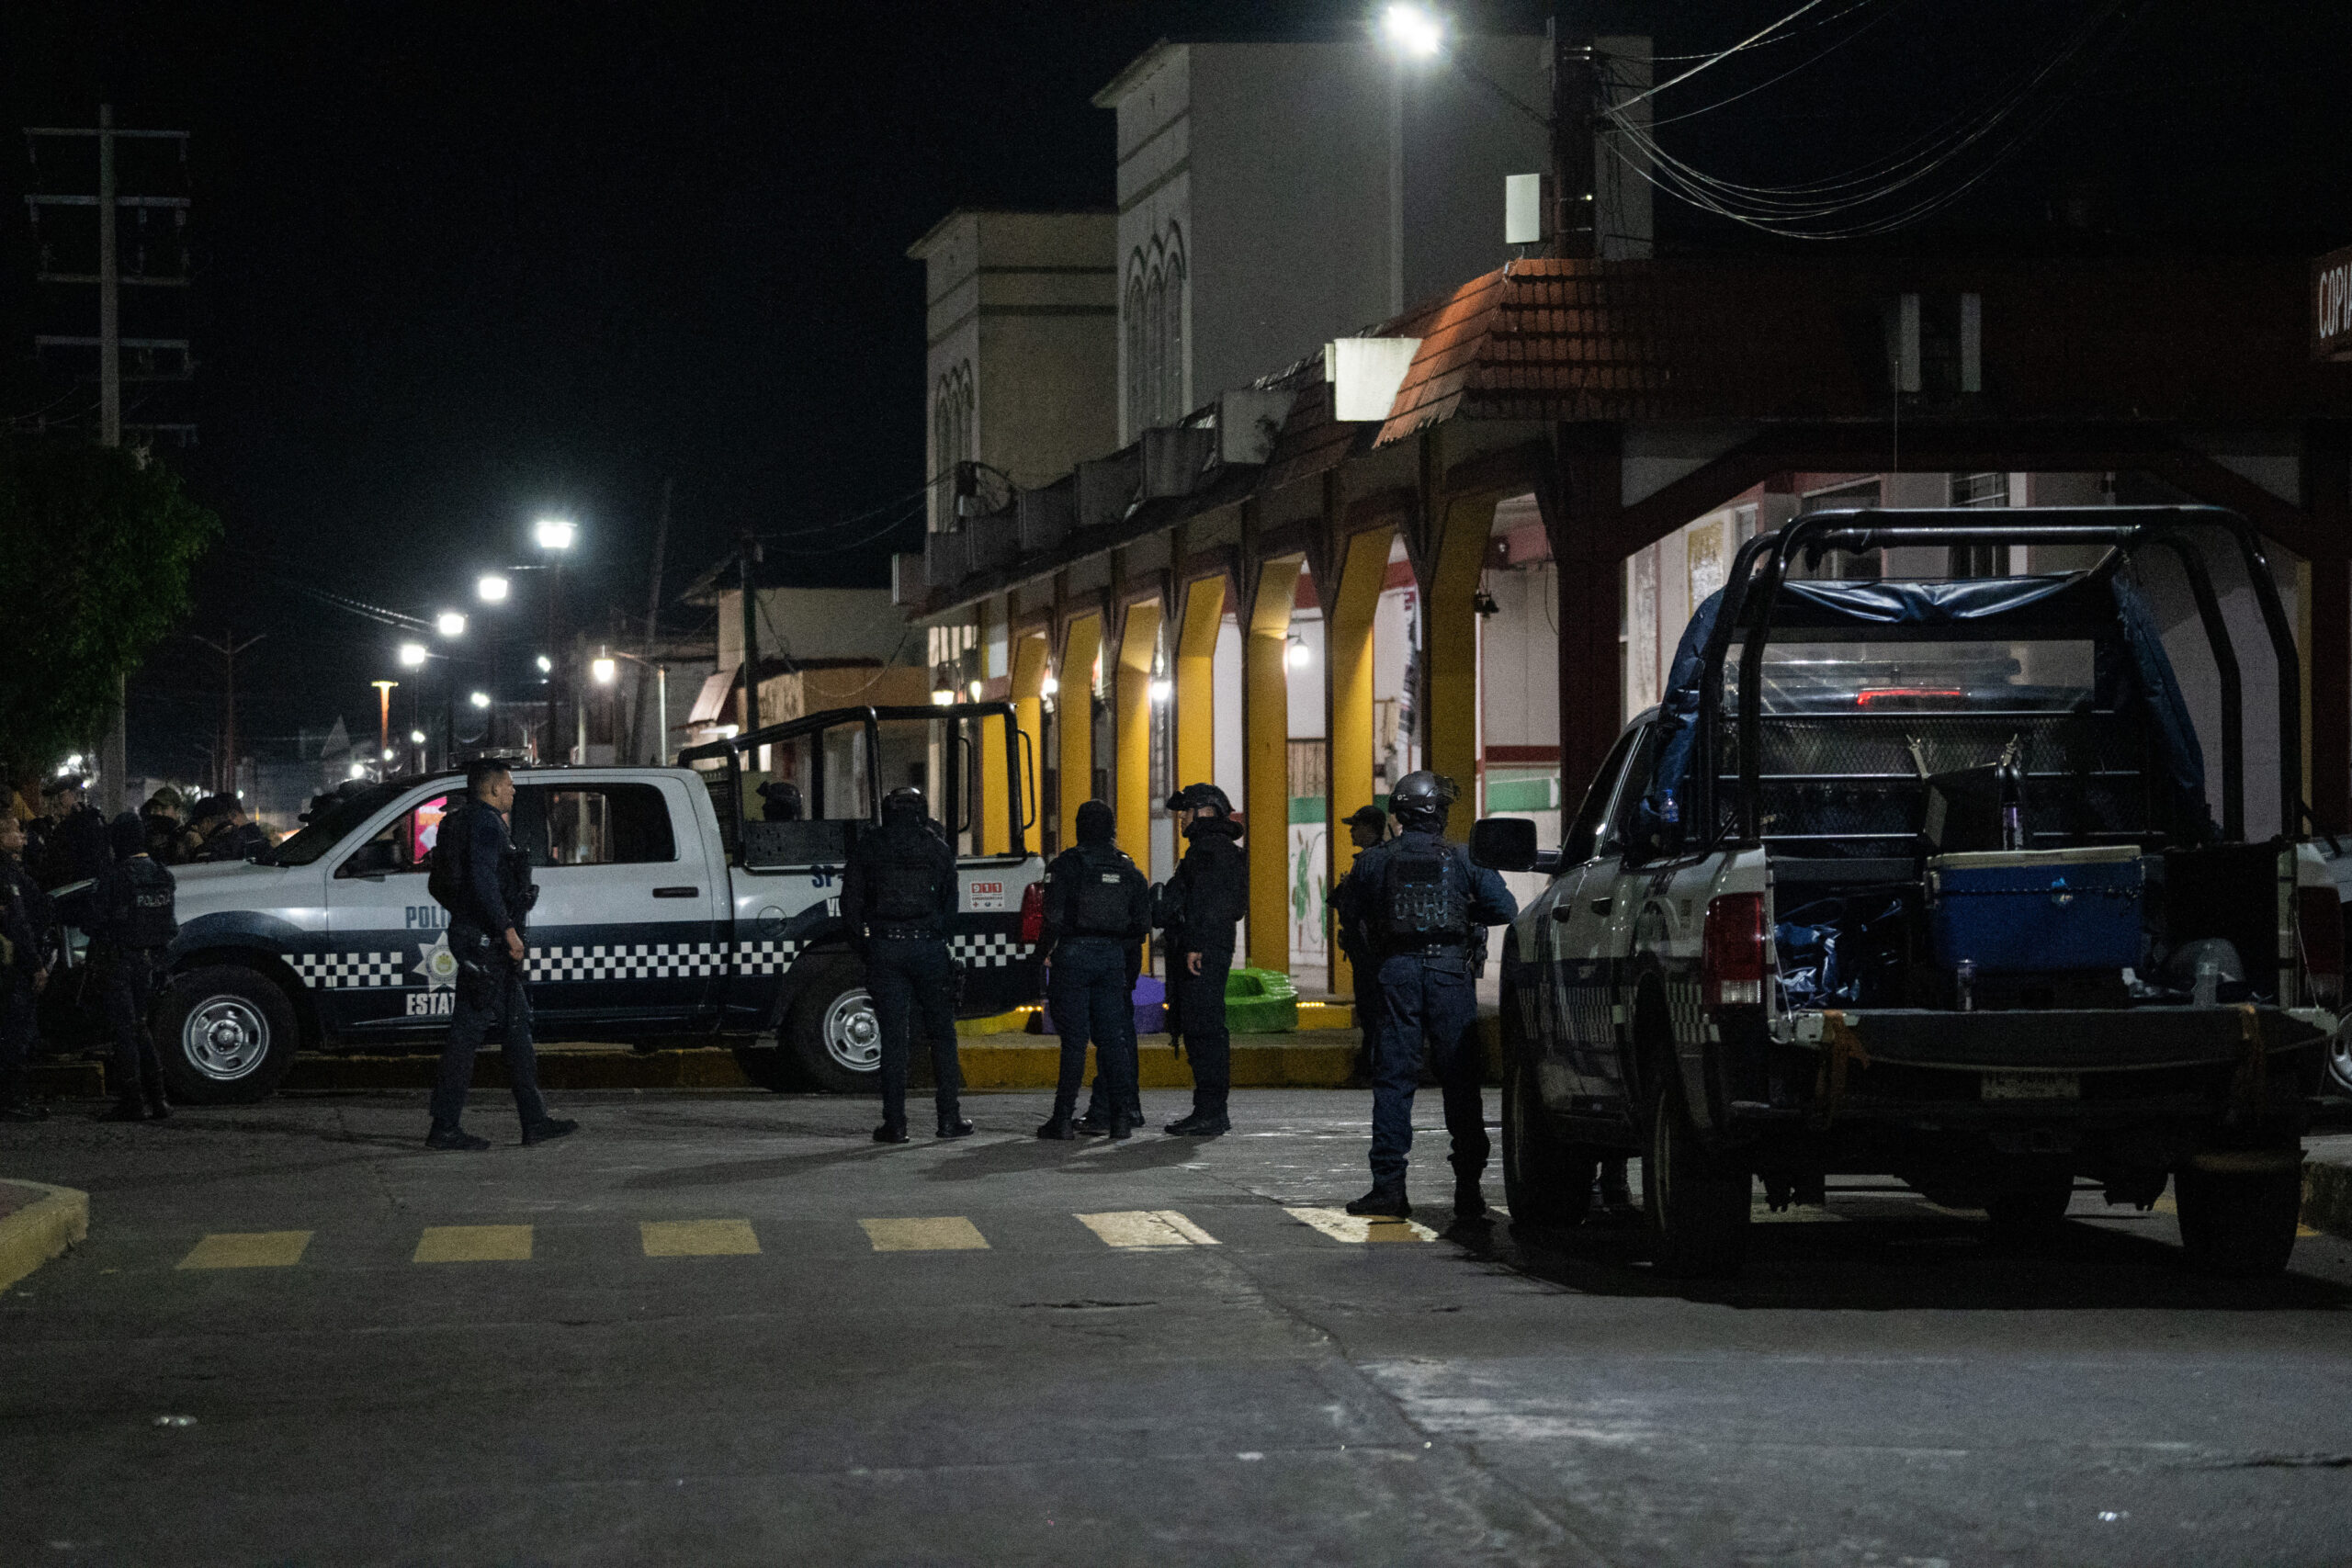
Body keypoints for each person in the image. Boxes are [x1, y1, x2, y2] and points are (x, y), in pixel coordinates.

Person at [1332, 771, 1518, 1221]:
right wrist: (1464, 910)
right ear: (1438, 813)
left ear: (1400, 814)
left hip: (1396, 972)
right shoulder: (1463, 858)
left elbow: (1350, 908)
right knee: (1460, 1080)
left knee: (1394, 1080)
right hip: (1450, 973)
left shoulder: (1374, 861)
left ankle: (1389, 1188)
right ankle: (1468, 1192)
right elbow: (1505, 909)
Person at [424, 759, 577, 1150]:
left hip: (477, 937)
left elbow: (446, 884)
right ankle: (444, 1127)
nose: (513, 790)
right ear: (492, 789)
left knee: (516, 1028)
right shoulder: (487, 824)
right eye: (508, 785)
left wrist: (469, 917)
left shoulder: (462, 822)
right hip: (486, 943)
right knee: (467, 1033)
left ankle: (535, 1120)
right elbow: (482, 878)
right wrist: (506, 930)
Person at [841, 784, 970, 1144]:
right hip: (928, 948)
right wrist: (933, 935)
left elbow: (850, 907)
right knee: (942, 1035)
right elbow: (951, 908)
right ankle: (949, 1119)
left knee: (894, 1040)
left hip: (886, 948)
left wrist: (869, 947)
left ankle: (895, 1125)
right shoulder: (937, 848)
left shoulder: (869, 847)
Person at [1035, 799, 1151, 1142]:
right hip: (1112, 959)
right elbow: (1142, 925)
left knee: (1074, 1042)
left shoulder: (1067, 865)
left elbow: (1052, 918)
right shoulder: (1129, 869)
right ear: (1112, 829)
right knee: (1112, 1042)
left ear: (1079, 827)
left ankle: (1062, 1119)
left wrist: (1041, 955)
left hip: (1073, 957)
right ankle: (1119, 1120)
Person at [1156, 783, 1247, 1137]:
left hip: (1203, 950)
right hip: (1209, 946)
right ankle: (1208, 1109)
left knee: (1204, 1029)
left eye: (1186, 811)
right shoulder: (1215, 849)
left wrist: (1195, 945)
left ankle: (1210, 1112)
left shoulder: (1208, 851)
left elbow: (1209, 904)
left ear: (1205, 811)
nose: (1181, 819)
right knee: (1200, 1026)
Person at [88, 813, 177, 1122]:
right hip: (151, 963)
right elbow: (170, 927)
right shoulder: (163, 875)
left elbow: (94, 922)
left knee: (125, 1031)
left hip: (120, 960)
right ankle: (159, 1099)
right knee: (141, 1027)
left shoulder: (116, 876)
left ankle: (133, 1101)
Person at [1332, 803, 1388, 1085]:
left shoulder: (1369, 860)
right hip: (1371, 951)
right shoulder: (1377, 858)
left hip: (1370, 954)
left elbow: (1352, 908)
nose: (1352, 831)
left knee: (1372, 1012)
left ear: (1371, 829)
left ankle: (1371, 1069)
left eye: (1356, 826)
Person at [0, 815, 51, 1120]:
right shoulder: (6, 874)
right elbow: (18, 923)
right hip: (12, 968)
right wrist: (36, 966)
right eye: (15, 832)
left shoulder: (13, 870)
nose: (23, 837)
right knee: (16, 1034)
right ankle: (12, 1102)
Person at [36, 776, 110, 890]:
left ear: (75, 795)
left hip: (79, 893)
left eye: (61, 796)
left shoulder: (85, 824)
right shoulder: (62, 825)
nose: (56, 802)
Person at [141, 788, 187, 864]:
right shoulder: (148, 834)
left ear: (178, 811)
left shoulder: (186, 836)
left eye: (164, 808)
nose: (158, 813)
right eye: (155, 808)